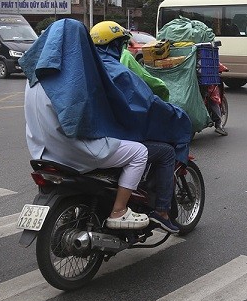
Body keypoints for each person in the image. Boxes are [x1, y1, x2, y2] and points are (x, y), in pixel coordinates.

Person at [21, 19, 192, 234]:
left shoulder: (33, 78)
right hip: (74, 150)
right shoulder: (76, 77)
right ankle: (120, 211)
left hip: (43, 150)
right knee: (142, 152)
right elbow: (84, 117)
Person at [88, 20, 191, 232]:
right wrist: (178, 117)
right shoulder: (119, 72)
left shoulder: (83, 69)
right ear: (115, 45)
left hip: (82, 140)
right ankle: (161, 212)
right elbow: (148, 103)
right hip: (110, 140)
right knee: (166, 152)